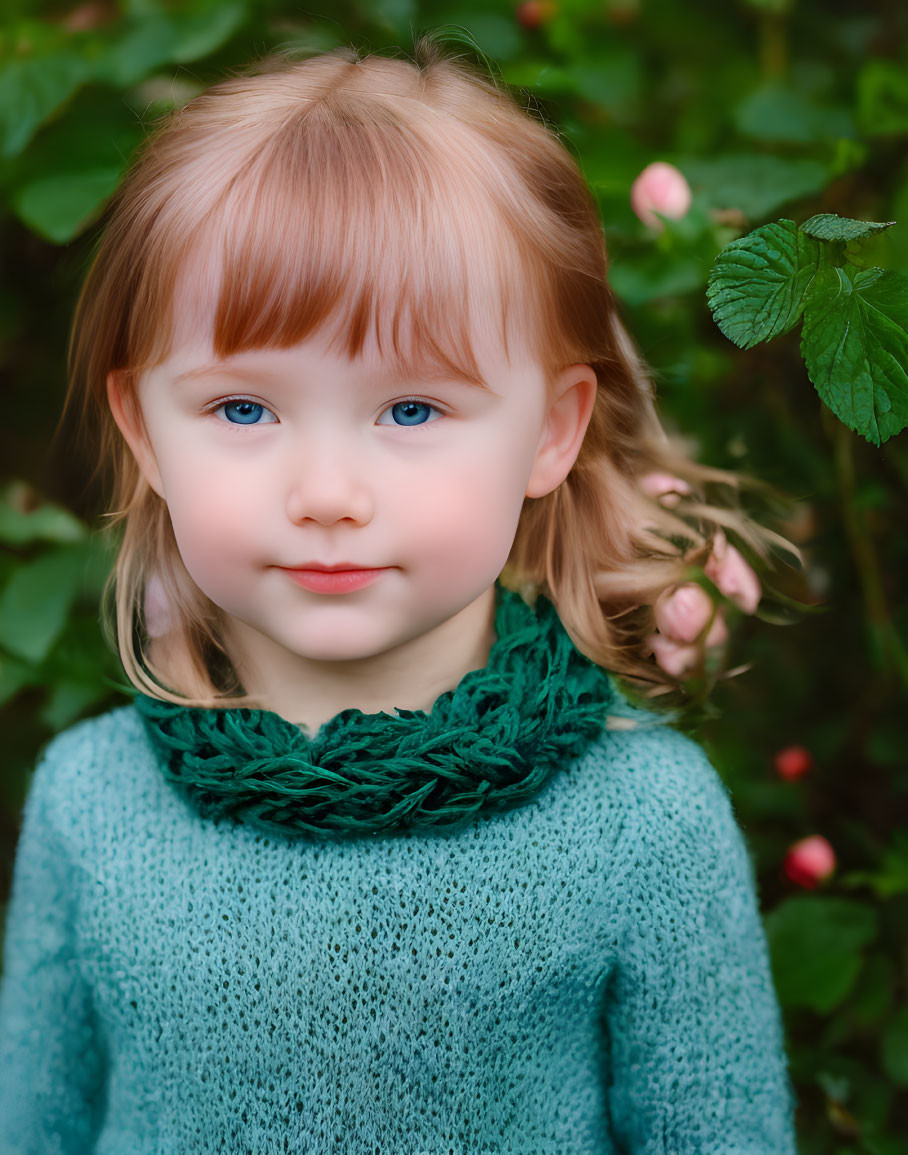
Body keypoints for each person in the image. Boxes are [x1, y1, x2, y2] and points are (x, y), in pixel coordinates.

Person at [0, 34, 799, 1153]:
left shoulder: (641, 823)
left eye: (411, 410)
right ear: (143, 430)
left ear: (550, 432)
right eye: (242, 409)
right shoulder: (90, 806)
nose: (326, 493)